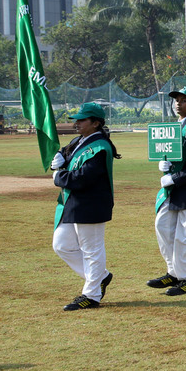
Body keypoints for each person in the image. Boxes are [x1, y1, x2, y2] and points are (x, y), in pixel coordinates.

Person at [50, 103, 120, 311]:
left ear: (96, 123)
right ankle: (101, 276)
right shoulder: (78, 140)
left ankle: (91, 295)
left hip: (91, 204)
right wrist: (59, 161)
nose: (77, 123)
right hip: (72, 203)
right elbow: (67, 159)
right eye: (77, 119)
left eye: (82, 120)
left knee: (92, 250)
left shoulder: (100, 147)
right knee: (61, 244)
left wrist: (58, 175)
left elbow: (83, 179)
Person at [150, 87, 186, 296]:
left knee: (185, 237)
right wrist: (164, 164)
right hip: (172, 190)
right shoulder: (173, 128)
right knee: (163, 227)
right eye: (176, 100)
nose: (178, 103)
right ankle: (174, 273)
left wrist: (173, 177)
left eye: (184, 101)